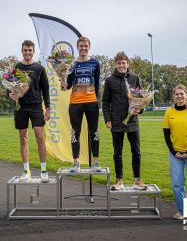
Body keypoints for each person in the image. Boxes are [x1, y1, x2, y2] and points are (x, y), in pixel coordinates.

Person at [102, 51, 146, 190]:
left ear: (128, 64)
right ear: (115, 64)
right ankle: (119, 180)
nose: (121, 65)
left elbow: (141, 98)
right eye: (119, 63)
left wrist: (140, 109)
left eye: (124, 63)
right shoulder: (109, 80)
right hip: (116, 122)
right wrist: (107, 119)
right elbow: (105, 102)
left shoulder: (135, 78)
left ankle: (137, 180)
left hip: (132, 120)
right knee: (117, 152)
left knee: (136, 151)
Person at [9, 40, 50, 182]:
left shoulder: (39, 68)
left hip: (36, 107)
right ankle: (26, 171)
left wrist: (48, 108)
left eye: (30, 50)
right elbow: (11, 87)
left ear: (33, 51)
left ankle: (44, 170)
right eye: (25, 50)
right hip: (21, 107)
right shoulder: (17, 68)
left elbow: (45, 89)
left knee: (39, 137)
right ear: (22, 51)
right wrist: (11, 94)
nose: (27, 52)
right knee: (23, 138)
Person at [163, 84, 187, 220]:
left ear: (186, 95)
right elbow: (166, 134)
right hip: (175, 154)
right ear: (173, 96)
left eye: (182, 94)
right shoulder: (169, 113)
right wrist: (174, 151)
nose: (179, 96)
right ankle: (182, 211)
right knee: (177, 183)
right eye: (177, 94)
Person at [61, 36, 100, 172]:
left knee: (94, 132)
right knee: (75, 133)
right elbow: (68, 85)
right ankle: (75, 162)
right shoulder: (72, 64)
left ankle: (95, 162)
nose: (83, 48)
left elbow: (97, 83)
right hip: (75, 103)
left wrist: (97, 101)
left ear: (89, 47)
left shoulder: (95, 63)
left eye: (85, 46)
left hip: (91, 102)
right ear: (77, 47)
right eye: (81, 46)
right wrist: (63, 82)